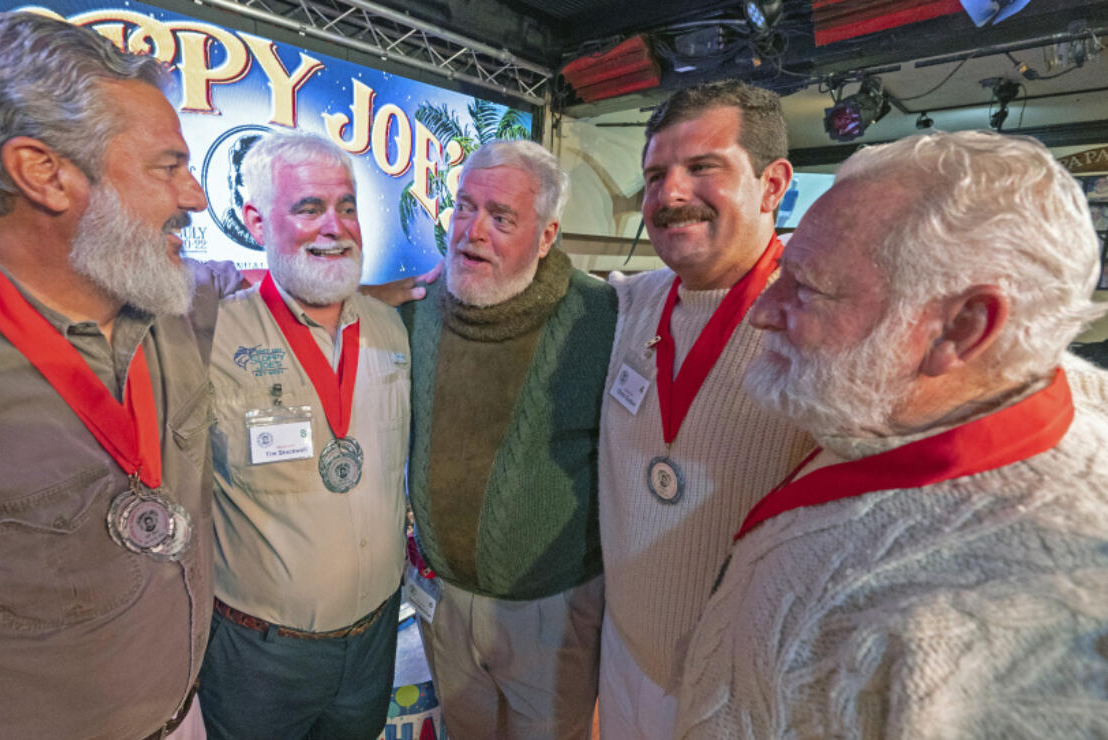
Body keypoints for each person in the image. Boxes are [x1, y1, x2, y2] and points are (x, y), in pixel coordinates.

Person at [674, 130, 1108, 738]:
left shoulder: (1041, 635)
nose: (763, 312)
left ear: (960, 327)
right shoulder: (909, 401)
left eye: (809, 286)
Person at [0, 11, 239, 739]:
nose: (197, 197)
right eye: (168, 166)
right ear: (44, 174)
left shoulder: (168, 297)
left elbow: (269, 282)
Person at [597, 80, 814, 737]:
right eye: (656, 174)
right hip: (623, 656)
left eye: (703, 168)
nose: (670, 195)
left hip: (742, 693)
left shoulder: (822, 329)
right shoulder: (632, 303)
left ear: (771, 185)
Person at [400, 139, 616, 739]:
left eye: (501, 218)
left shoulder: (603, 318)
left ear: (547, 237)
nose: (472, 231)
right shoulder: (416, 314)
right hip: (443, 603)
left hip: (554, 610)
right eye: (465, 208)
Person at [197, 131, 410, 740]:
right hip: (259, 656)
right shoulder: (207, 333)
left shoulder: (392, 329)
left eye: (346, 206)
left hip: (373, 645)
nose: (334, 227)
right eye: (309, 208)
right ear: (254, 220)